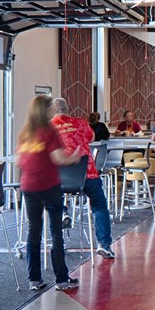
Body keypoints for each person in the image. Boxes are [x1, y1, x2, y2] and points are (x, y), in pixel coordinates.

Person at [17, 95, 78, 292]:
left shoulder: (25, 132)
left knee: (33, 231)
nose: (53, 109)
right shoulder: (49, 131)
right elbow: (58, 158)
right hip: (48, 185)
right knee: (55, 231)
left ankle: (34, 278)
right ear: (45, 110)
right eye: (51, 107)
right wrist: (74, 157)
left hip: (28, 186)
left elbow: (20, 161)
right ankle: (61, 278)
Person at [52, 98, 115, 259]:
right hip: (87, 174)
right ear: (68, 109)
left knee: (51, 194)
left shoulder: (49, 127)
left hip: (60, 178)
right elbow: (92, 137)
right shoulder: (80, 122)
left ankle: (63, 213)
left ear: (53, 110)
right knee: (100, 206)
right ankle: (104, 245)